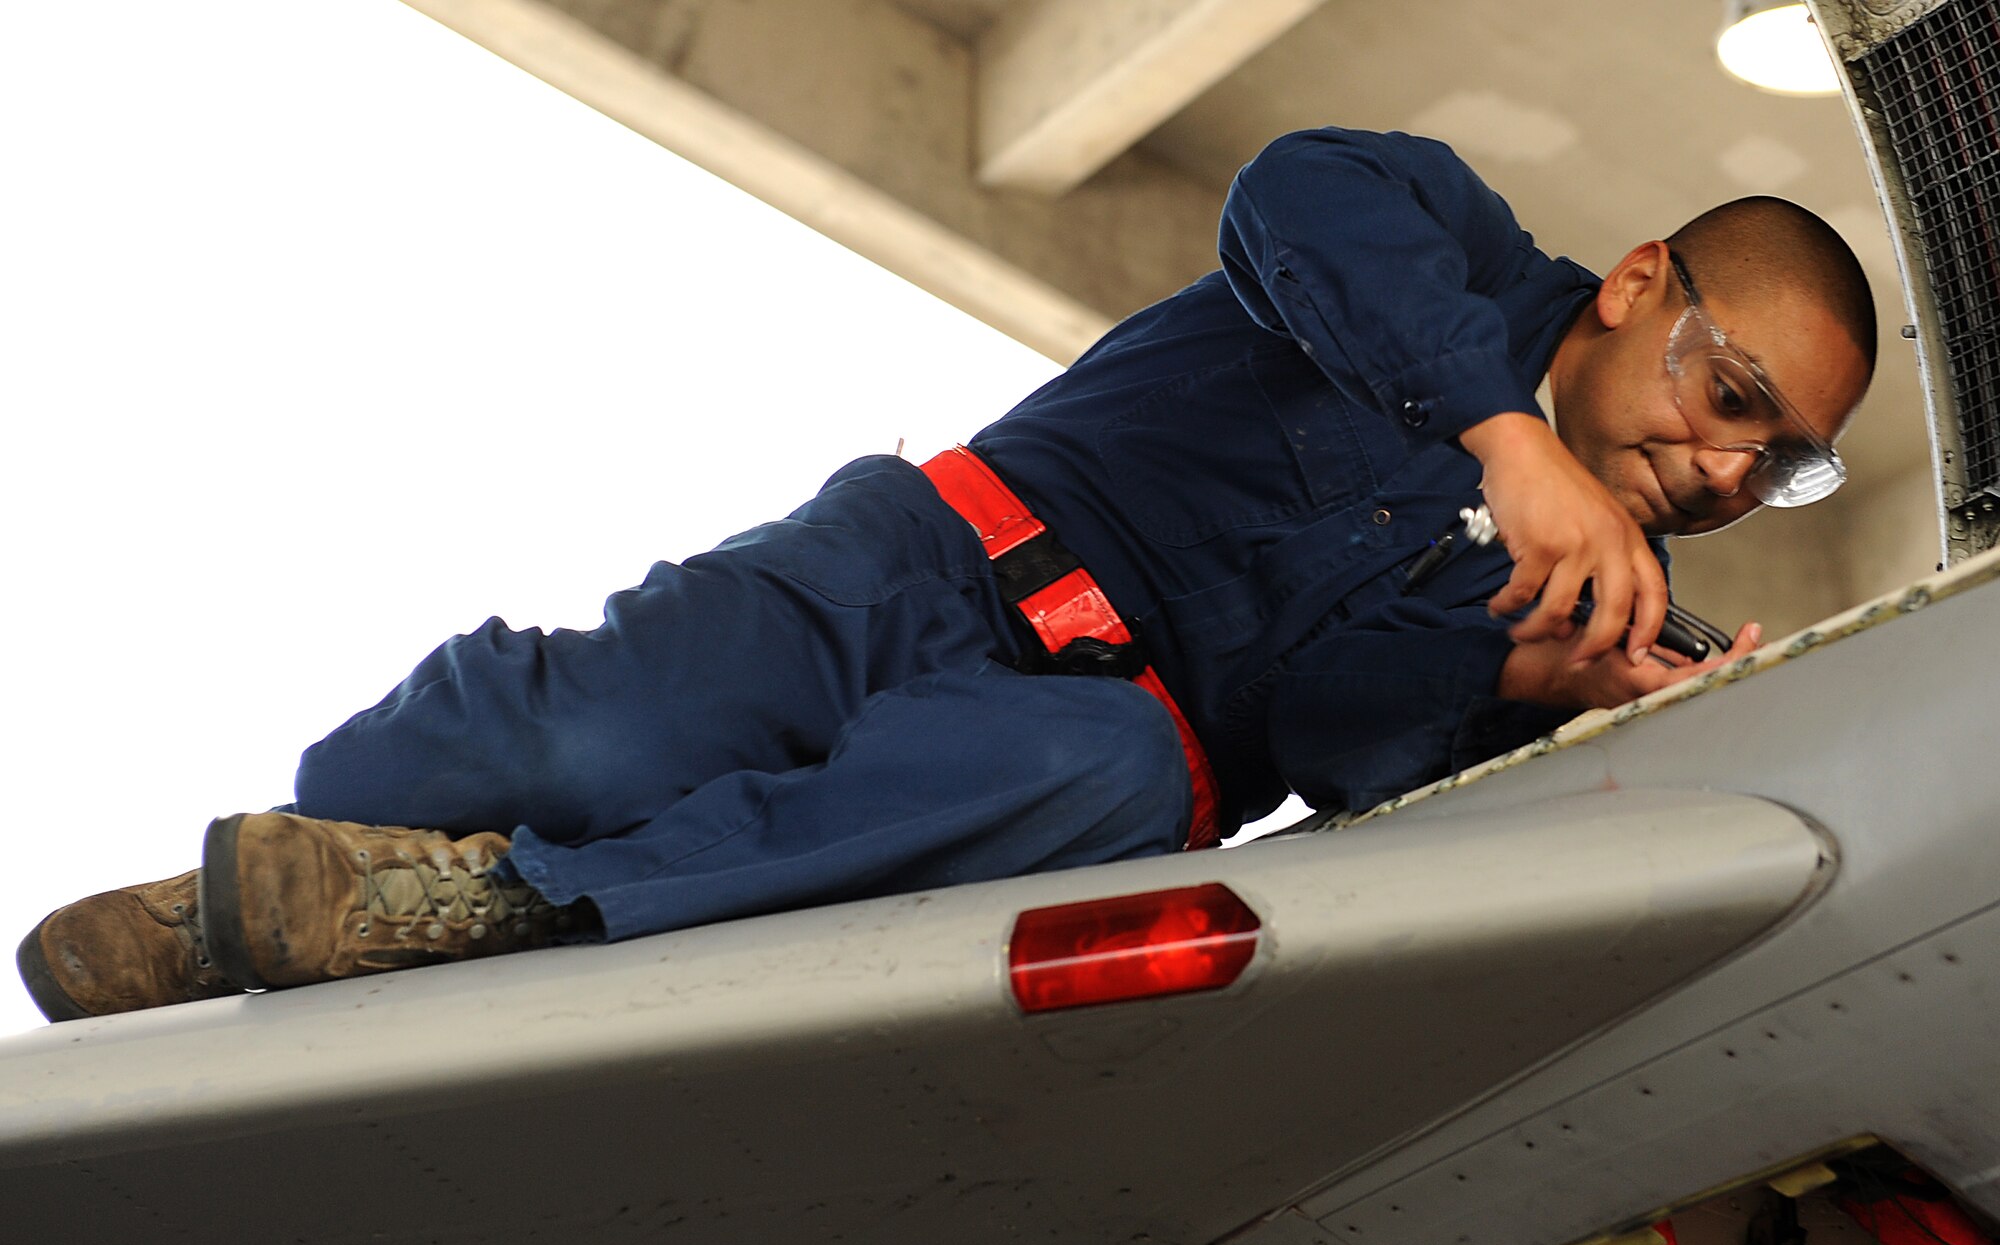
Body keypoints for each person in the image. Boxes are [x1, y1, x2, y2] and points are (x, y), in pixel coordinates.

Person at [16, 126, 1875, 1022]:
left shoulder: (1566, 609)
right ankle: (343, 876)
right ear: (1640, 284)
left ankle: (492, 910)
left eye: (1776, 465)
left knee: (1126, 780)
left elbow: (1324, 750)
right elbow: (1289, 205)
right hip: (918, 559)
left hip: (1092, 745)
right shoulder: (1453, 242)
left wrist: (1520, 698)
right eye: (1729, 398)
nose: (1724, 467)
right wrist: (1506, 441)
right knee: (487, 760)